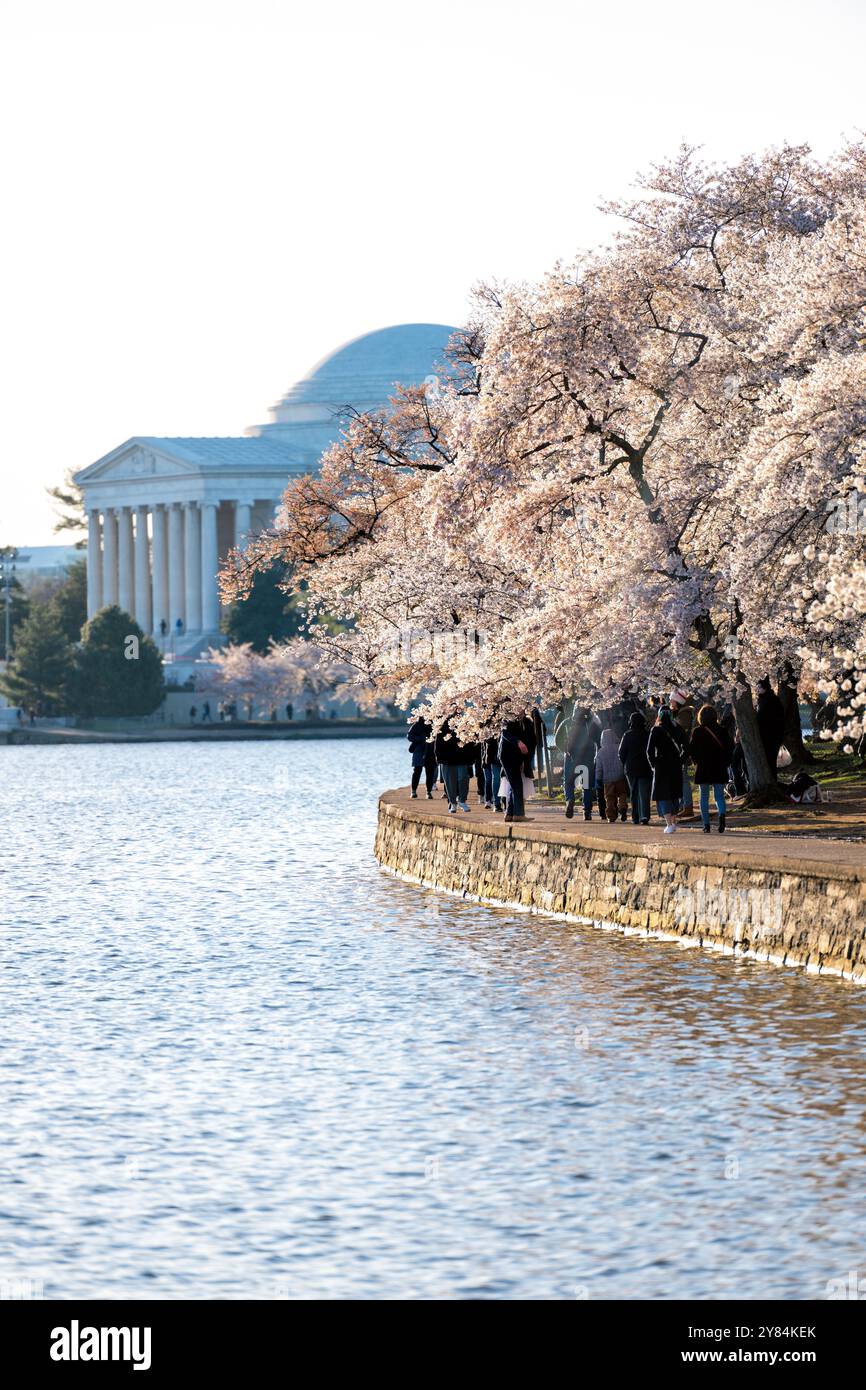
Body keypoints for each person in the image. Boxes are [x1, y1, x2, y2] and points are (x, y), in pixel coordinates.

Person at [689, 704, 734, 833]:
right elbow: (730, 748)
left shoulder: (697, 731)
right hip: (719, 767)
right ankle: (722, 816)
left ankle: (706, 824)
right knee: (719, 796)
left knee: (704, 796)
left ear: (701, 717)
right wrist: (725, 762)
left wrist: (696, 761)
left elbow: (692, 750)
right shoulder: (722, 730)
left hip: (703, 767)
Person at [647, 707, 684, 833]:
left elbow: (649, 751)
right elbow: (687, 747)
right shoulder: (678, 728)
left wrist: (653, 764)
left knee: (663, 795)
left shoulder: (656, 730)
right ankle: (673, 822)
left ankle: (669, 824)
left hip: (661, 765)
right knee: (674, 794)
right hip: (675, 764)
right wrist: (681, 760)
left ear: (660, 716)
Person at [561, 706, 602, 820]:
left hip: (571, 758)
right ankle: (587, 811)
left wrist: (565, 750)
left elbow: (558, 738)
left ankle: (569, 799)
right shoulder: (591, 724)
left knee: (568, 782)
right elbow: (599, 739)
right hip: (587, 758)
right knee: (586, 785)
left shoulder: (567, 722)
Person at [499, 712, 536, 823]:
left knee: (514, 784)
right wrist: (518, 742)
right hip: (507, 755)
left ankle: (509, 814)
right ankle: (518, 814)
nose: (520, 711)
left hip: (520, 757)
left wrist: (526, 761)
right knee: (517, 784)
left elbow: (532, 742)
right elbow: (505, 733)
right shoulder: (508, 719)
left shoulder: (528, 722)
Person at [618, 711, 653, 824]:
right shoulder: (648, 735)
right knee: (644, 793)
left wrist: (624, 763)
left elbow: (621, 752)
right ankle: (645, 816)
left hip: (631, 767)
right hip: (645, 767)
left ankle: (635, 816)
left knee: (634, 792)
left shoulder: (627, 735)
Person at [434, 719, 474, 813]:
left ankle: (462, 801)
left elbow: (470, 742)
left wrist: (471, 758)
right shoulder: (443, 727)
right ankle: (453, 803)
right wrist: (439, 758)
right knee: (450, 783)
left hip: (462, 758)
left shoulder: (464, 724)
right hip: (447, 760)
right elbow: (438, 743)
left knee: (463, 779)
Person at [670, 689, 695, 818]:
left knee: (684, 779)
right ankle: (684, 804)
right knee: (680, 779)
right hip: (679, 750)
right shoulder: (679, 713)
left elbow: (680, 733)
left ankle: (688, 806)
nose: (670, 702)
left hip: (682, 751)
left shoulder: (683, 715)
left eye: (672, 699)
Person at [595, 727, 628, 822]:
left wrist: (598, 779)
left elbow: (599, 768)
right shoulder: (619, 747)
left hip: (607, 779)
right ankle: (622, 807)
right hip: (620, 776)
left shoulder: (600, 752)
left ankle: (611, 816)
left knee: (609, 798)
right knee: (622, 794)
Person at [756, 677, 785, 776]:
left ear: (765, 688)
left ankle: (772, 782)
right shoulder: (767, 699)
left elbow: (762, 717)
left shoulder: (768, 700)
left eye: (759, 687)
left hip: (771, 736)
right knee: (770, 761)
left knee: (770, 760)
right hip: (772, 735)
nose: (757, 689)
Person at [408, 717, 437, 799]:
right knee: (417, 771)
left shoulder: (434, 724)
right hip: (419, 751)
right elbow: (409, 736)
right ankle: (413, 791)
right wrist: (421, 739)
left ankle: (429, 792)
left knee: (430, 772)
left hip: (430, 751)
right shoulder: (416, 725)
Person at [481, 734, 503, 811]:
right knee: (495, 779)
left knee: (504, 780)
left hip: (507, 753)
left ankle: (506, 803)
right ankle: (496, 803)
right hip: (494, 756)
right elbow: (486, 740)